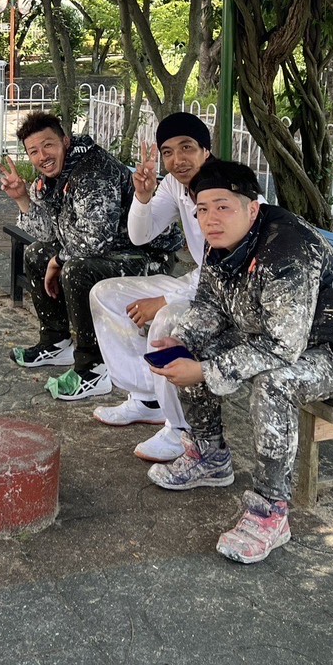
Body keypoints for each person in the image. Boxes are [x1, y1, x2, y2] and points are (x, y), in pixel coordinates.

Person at [146, 157, 333, 564]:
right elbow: (210, 306)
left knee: (275, 383)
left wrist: (205, 371)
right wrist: (181, 341)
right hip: (276, 335)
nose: (210, 219)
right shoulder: (220, 239)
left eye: (223, 207)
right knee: (192, 348)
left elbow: (281, 349)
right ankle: (210, 455)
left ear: (252, 208)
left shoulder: (288, 249)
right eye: (202, 209)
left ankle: (270, 511)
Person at [0, 111, 152, 401]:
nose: (42, 156)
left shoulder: (93, 171)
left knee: (75, 269)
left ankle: (94, 368)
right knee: (36, 254)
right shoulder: (54, 178)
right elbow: (48, 234)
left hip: (142, 255)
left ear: (65, 142)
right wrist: (22, 199)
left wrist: (58, 260)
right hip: (107, 251)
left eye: (48, 145)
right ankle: (56, 342)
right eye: (34, 151)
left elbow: (97, 239)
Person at [88, 112, 214, 463]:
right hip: (198, 283)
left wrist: (164, 299)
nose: (178, 160)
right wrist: (143, 197)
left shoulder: (225, 188)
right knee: (106, 295)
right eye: (168, 152)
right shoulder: (175, 184)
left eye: (187, 148)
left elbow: (225, 271)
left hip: (227, 295)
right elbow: (140, 235)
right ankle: (146, 398)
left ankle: (180, 429)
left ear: (206, 150)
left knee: (166, 320)